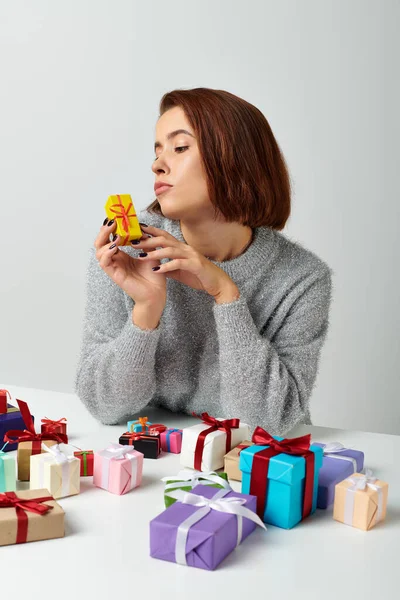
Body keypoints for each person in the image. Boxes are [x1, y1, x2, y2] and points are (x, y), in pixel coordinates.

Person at [74, 87, 333, 436]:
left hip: (252, 470)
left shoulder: (302, 279)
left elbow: (271, 423)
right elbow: (104, 406)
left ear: (237, 160)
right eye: (157, 150)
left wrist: (226, 294)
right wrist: (146, 311)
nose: (157, 164)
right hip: (160, 462)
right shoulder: (127, 253)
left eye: (180, 147)